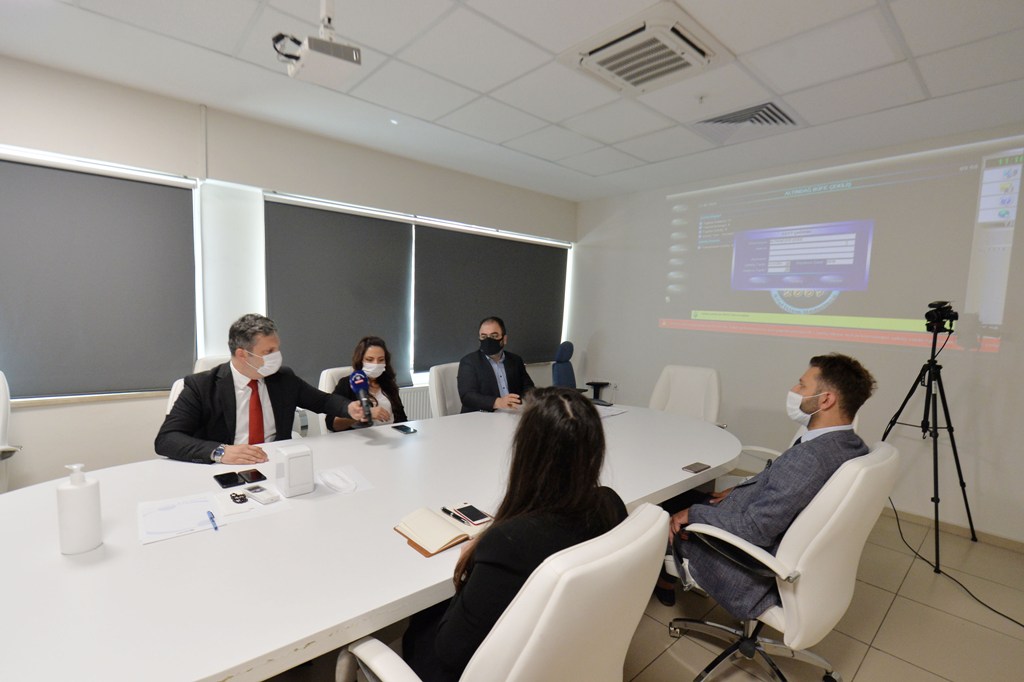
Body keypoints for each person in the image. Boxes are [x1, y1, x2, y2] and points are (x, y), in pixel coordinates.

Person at [402, 387, 627, 681]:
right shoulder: (611, 504)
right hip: (572, 650)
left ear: (526, 454)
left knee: (420, 622)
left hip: (498, 668)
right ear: (595, 450)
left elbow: (450, 652)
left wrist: (469, 569)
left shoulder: (509, 543)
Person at [661, 353, 876, 618]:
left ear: (826, 400)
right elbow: (787, 489)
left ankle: (660, 580)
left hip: (744, 563)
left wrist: (693, 514)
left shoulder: (809, 458)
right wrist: (739, 490)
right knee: (685, 498)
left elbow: (755, 530)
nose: (794, 390)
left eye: (802, 385)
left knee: (656, 512)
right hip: (755, 519)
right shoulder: (850, 445)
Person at [155, 313, 351, 464]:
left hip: (275, 461)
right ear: (242, 355)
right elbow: (167, 439)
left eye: (277, 349)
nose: (277, 356)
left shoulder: (283, 379)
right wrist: (220, 451)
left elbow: (324, 401)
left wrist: (350, 408)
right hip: (226, 466)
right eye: (268, 351)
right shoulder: (201, 386)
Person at [326, 335, 408, 431]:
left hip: (391, 434)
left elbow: (402, 418)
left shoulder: (388, 384)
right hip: (361, 437)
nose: (376, 364)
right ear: (360, 361)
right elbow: (331, 423)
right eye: (370, 359)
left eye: (381, 360)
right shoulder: (347, 384)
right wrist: (365, 413)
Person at [456, 316, 535, 413]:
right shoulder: (469, 362)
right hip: (481, 416)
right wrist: (498, 402)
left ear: (504, 339)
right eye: (484, 337)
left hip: (512, 413)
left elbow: (528, 387)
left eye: (494, 336)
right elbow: (467, 396)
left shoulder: (515, 360)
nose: (488, 340)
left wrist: (530, 400)